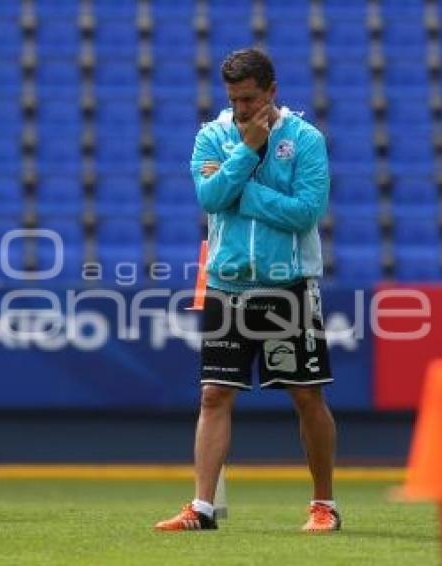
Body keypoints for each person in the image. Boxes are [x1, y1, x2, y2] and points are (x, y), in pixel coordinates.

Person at [155, 48, 340, 532]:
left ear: (272, 92)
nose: (241, 109)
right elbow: (209, 198)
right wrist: (245, 152)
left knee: (306, 395)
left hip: (288, 285)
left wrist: (240, 185)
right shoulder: (211, 136)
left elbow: (305, 213)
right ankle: (202, 508)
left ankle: (325, 505)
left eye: (250, 99)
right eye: (234, 99)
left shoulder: (305, 140)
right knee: (214, 394)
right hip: (225, 283)